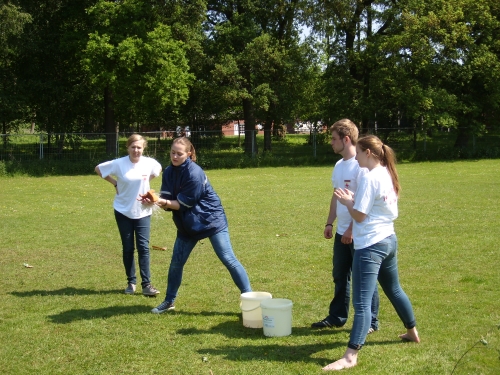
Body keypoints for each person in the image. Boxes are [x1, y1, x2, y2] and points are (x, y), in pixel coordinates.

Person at [322, 135, 420, 371]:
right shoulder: (386, 172)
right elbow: (374, 206)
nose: (357, 158)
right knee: (394, 290)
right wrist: (353, 200)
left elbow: (360, 216)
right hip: (389, 240)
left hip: (370, 247)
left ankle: (350, 356)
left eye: (360, 153)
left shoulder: (368, 177)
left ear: (368, 153)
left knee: (362, 304)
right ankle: (412, 332)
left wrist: (347, 202)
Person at [149, 137, 252, 313]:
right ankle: (169, 301)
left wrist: (160, 201)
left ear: (189, 154)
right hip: (187, 224)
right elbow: (168, 203)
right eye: (172, 152)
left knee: (228, 258)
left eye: (179, 154)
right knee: (176, 264)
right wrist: (151, 200)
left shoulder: (194, 173)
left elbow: (181, 204)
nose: (174, 156)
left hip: (211, 219)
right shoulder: (168, 172)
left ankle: (250, 299)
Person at [312, 119, 380, 332]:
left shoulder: (361, 167)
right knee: (340, 275)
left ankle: (371, 321)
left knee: (364, 277)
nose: (331, 143)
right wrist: (330, 222)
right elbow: (336, 196)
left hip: (358, 233)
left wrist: (351, 229)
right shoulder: (339, 166)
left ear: (346, 139)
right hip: (342, 231)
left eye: (334, 139)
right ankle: (337, 317)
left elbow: (363, 203)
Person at [95, 134, 162, 296]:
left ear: (143, 148)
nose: (136, 150)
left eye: (139, 147)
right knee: (128, 248)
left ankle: (147, 285)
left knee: (143, 248)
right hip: (123, 210)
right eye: (133, 147)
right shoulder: (119, 163)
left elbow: (158, 169)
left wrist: (147, 183)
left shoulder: (149, 163)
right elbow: (99, 169)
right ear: (128, 148)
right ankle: (131, 283)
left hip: (143, 211)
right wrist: (115, 183)